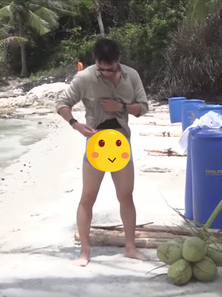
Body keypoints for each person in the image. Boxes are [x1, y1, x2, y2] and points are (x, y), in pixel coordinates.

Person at [56, 38, 150, 267]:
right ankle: (84, 252)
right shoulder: (85, 77)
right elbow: (62, 103)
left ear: (119, 59)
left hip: (121, 143)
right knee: (88, 198)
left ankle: (130, 247)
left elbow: (143, 108)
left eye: (111, 68)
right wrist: (75, 124)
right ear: (95, 61)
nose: (106, 73)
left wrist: (121, 107)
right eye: (102, 69)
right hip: (95, 144)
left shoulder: (132, 76)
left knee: (126, 196)